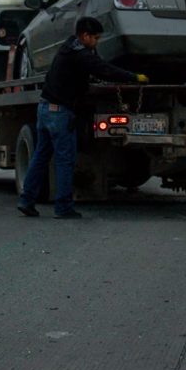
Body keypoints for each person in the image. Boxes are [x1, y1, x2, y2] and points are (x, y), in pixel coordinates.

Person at [17, 16, 147, 219]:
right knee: (65, 160)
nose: (96, 42)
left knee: (41, 157)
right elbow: (104, 69)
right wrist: (133, 77)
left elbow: (83, 71)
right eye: (95, 38)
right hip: (60, 113)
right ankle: (63, 207)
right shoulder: (82, 55)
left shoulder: (67, 47)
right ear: (85, 36)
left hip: (44, 109)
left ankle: (27, 200)